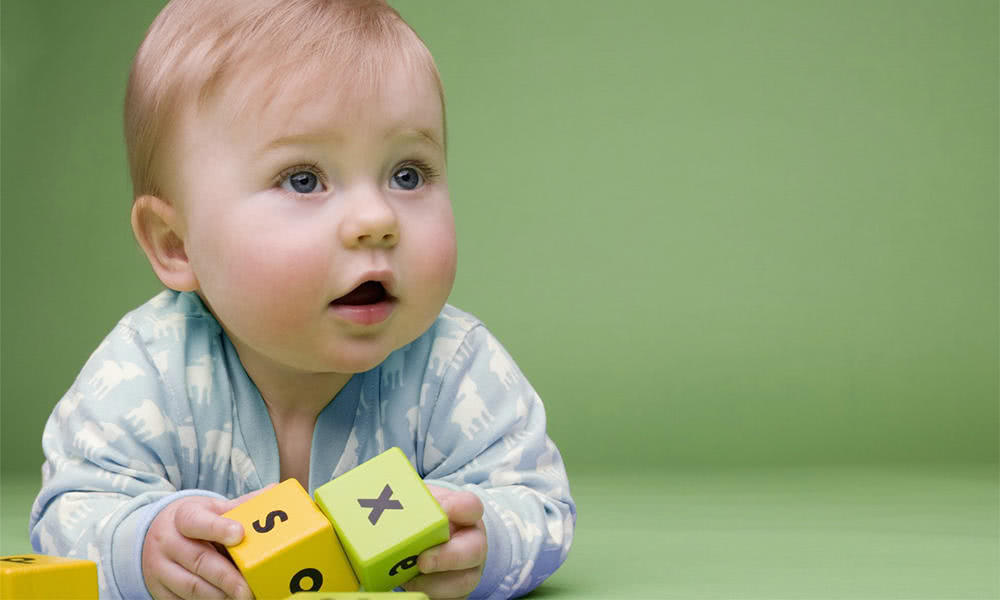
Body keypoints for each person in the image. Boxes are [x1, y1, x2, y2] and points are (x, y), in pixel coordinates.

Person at [28, 1, 576, 598]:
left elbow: (540, 504)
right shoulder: (148, 368)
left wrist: (487, 541)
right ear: (177, 244)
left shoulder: (454, 365)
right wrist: (140, 544)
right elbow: (67, 512)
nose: (376, 218)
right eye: (304, 179)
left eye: (408, 174)